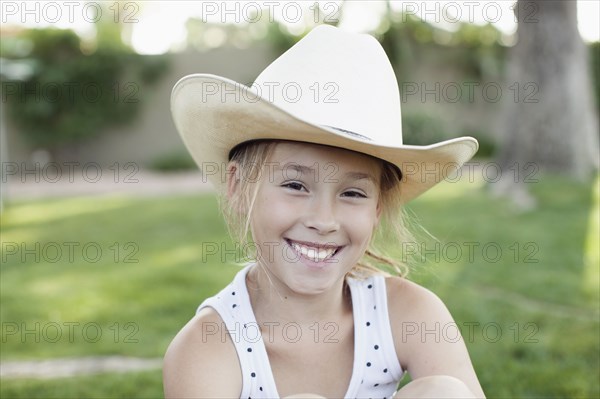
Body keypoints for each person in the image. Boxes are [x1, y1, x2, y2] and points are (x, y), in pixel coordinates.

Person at [164, 25, 485, 399]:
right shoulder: (209, 347)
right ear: (237, 185)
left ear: (377, 208)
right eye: (295, 185)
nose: (323, 220)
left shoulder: (409, 313)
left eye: (352, 193)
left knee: (445, 393)